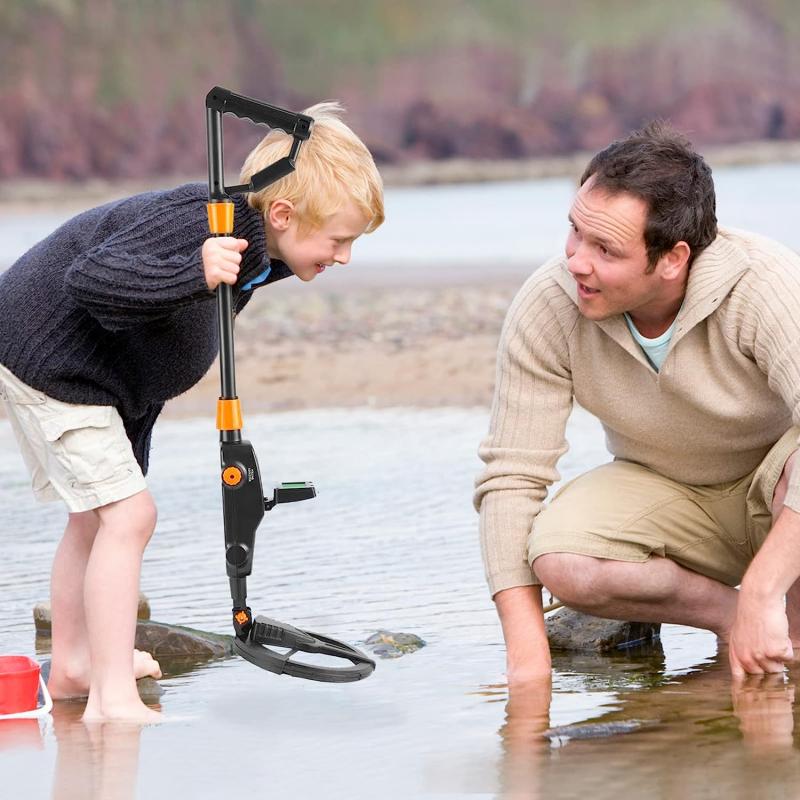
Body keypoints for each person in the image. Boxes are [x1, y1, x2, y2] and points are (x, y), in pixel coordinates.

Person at [0, 101, 384, 722]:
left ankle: (74, 666)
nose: (344, 257)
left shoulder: (264, 250)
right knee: (130, 516)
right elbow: (93, 279)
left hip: (103, 378)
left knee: (95, 518)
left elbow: (163, 332)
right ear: (281, 213)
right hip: (53, 354)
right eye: (339, 240)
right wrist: (192, 272)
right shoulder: (200, 225)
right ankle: (111, 701)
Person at [474, 121, 800, 684]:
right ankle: (730, 617)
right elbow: (511, 478)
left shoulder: (763, 284)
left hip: (779, 497)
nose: (576, 260)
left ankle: (774, 617)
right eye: (575, 232)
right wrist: (528, 667)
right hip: (670, 492)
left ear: (671, 259)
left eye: (605, 249)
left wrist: (767, 589)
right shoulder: (551, 303)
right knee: (560, 558)